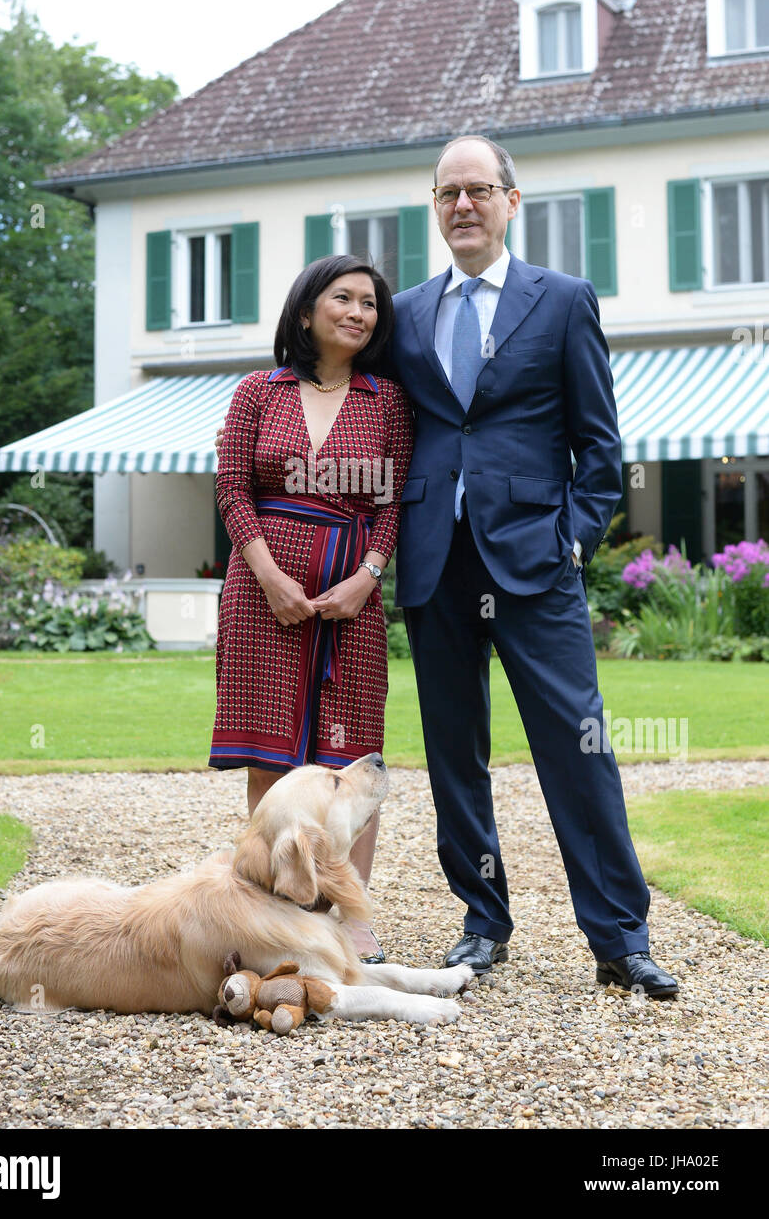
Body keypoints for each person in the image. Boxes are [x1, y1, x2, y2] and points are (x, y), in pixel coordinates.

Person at [386, 133, 677, 997]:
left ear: (513, 201)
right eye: (448, 194)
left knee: (576, 747)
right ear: (434, 208)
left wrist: (575, 539)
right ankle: (482, 922)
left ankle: (620, 939)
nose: (464, 205)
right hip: (436, 561)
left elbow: (600, 445)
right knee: (454, 754)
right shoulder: (403, 314)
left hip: (536, 565)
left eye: (479, 190)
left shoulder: (563, 301)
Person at [209, 254, 414, 962]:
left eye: (370, 304)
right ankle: (273, 911)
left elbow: (392, 503)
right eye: (344, 298)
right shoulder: (256, 392)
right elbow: (233, 489)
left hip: (351, 603)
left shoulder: (386, 401)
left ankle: (353, 919)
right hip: (261, 595)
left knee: (350, 757)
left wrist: (367, 576)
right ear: (306, 311)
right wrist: (268, 576)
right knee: (270, 755)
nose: (360, 312)